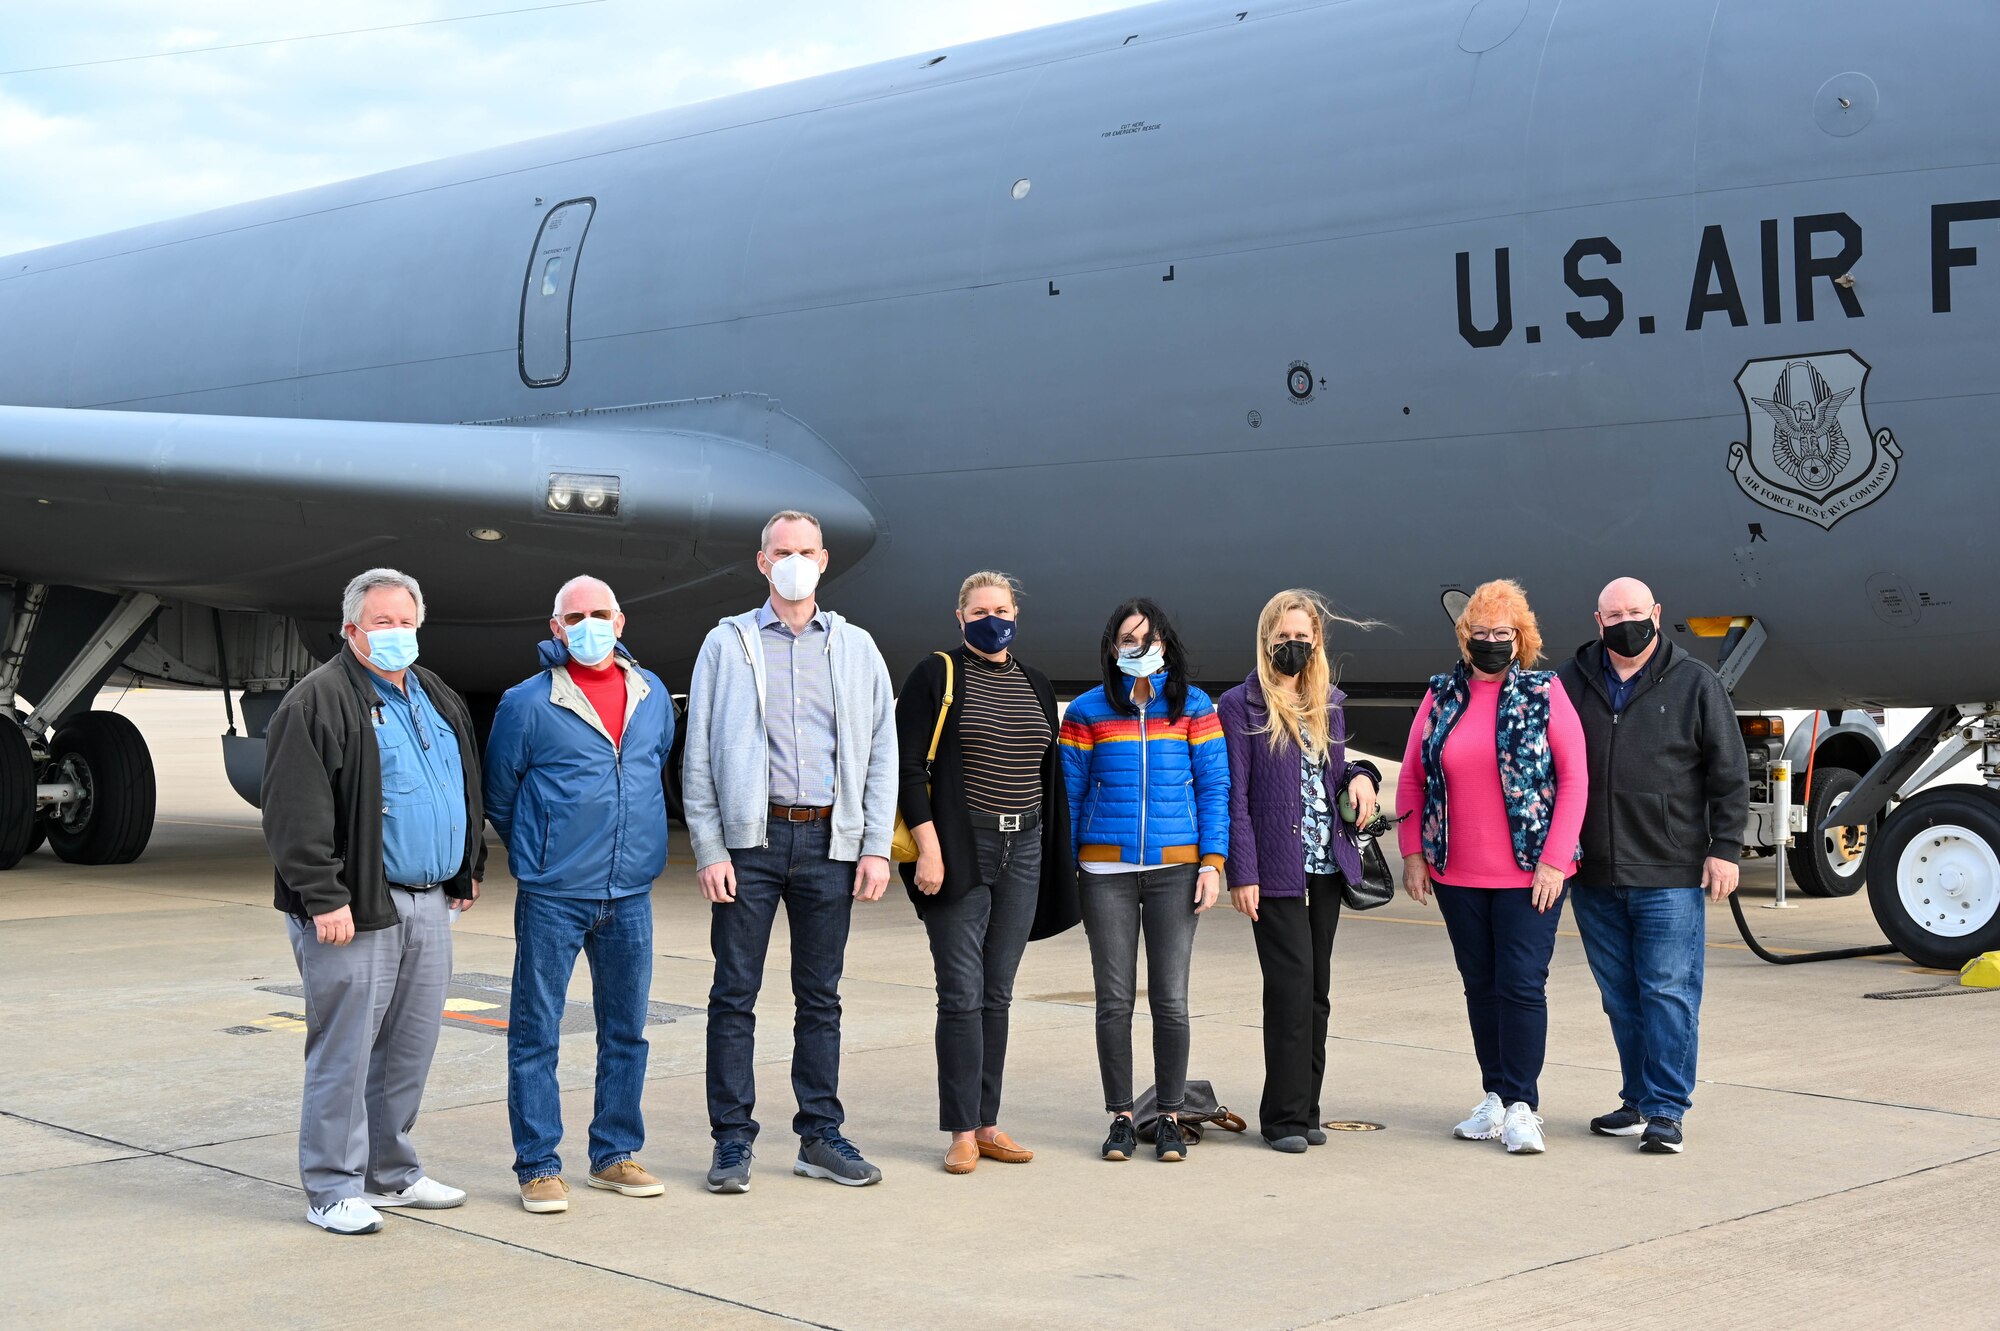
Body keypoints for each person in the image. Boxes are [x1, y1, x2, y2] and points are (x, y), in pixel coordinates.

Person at [262, 568, 486, 1235]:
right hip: (354, 906)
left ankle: (390, 1171)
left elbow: (460, 783)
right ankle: (331, 1187)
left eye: (405, 621)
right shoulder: (318, 701)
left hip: (429, 903)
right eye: (381, 622)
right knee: (345, 1048)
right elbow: (293, 813)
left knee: (408, 1046)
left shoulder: (434, 694)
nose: (395, 633)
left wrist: (465, 868)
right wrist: (323, 897)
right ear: (351, 628)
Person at [683, 509, 899, 1193]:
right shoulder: (728, 644)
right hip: (752, 844)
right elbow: (699, 755)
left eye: (805, 550)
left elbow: (881, 752)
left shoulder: (857, 646)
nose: (794, 560)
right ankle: (731, 1140)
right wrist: (710, 846)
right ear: (762, 561)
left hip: (829, 842)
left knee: (821, 996)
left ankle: (819, 1134)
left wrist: (874, 844)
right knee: (734, 994)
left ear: (824, 560)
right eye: (783, 550)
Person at [484, 576, 677, 1213]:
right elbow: (501, 797)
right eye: (575, 616)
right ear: (556, 627)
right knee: (536, 1031)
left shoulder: (653, 699)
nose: (588, 624)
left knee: (627, 1030)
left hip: (630, 894)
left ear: (620, 622)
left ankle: (614, 1154)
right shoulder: (525, 703)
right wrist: (541, 853)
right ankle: (538, 1164)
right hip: (553, 894)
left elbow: (654, 771)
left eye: (599, 613)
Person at [896, 571, 1080, 1175]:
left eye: (1000, 609)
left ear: (1016, 613)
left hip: (1023, 847)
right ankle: (960, 1131)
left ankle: (988, 1121)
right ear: (960, 617)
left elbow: (1047, 771)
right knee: (961, 993)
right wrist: (930, 847)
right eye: (979, 610)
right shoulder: (936, 676)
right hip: (961, 845)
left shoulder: (1034, 681)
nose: (990, 618)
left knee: (997, 993)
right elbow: (909, 771)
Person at [1557, 577, 1748, 1155]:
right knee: (1621, 996)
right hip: (1592, 872)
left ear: (1657, 613)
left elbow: (1729, 770)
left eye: (1636, 612)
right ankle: (1637, 1099)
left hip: (1668, 871)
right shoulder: (1569, 683)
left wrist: (1726, 849)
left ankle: (1667, 1109)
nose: (1626, 622)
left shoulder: (1695, 682)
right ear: (1598, 620)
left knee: (1668, 991)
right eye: (1615, 614)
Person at [1396, 579, 1587, 1155]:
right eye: (1481, 634)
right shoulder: (1441, 696)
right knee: (1480, 986)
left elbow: (1575, 779)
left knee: (1523, 986)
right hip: (1457, 873)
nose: (1492, 643)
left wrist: (1555, 860)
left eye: (1503, 634)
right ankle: (1495, 1098)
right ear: (1465, 638)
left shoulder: (1545, 692)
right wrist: (1412, 853)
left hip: (1530, 876)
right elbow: (1411, 777)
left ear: (1522, 639)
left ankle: (1524, 1104)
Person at [1059, 598, 1230, 1163]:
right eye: (1127, 641)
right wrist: (1071, 863)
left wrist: (1213, 862)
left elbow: (1213, 788)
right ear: (1113, 649)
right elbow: (1069, 793)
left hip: (1174, 870)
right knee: (1113, 1001)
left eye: (1146, 639)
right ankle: (1121, 1118)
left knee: (1171, 1001)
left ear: (1164, 643)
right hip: (1104, 871)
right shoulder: (1085, 712)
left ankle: (1172, 1116)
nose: (1138, 649)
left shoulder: (1194, 707)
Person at [1219, 590, 1382, 1153]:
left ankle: (1309, 1107)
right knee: (1288, 990)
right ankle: (1283, 1118)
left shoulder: (1327, 703)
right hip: (1276, 867)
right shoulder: (1240, 706)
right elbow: (1234, 794)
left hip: (1326, 865)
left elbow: (1331, 772)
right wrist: (1242, 870)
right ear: (1266, 641)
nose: (1295, 646)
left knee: (1317, 992)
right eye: (1284, 638)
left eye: (1304, 638)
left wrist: (1363, 774)